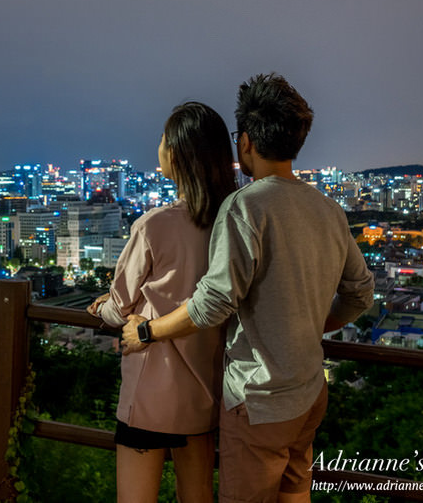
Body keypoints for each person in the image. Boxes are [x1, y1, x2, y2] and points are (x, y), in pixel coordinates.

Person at [122, 74, 375, 503]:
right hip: (309, 394)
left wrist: (148, 331)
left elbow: (213, 303)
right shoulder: (328, 209)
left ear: (246, 144)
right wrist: (313, 324)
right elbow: (360, 294)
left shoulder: (246, 206)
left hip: (258, 399)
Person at [87, 102, 237, 503]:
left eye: (163, 139)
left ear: (179, 153)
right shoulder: (233, 224)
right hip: (205, 397)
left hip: (150, 394)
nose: (158, 147)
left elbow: (119, 310)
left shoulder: (154, 225)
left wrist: (96, 306)